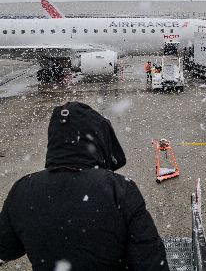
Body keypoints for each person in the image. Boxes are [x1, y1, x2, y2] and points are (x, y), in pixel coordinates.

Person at [0, 101, 169, 271]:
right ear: (97, 137)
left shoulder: (22, 190)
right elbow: (150, 262)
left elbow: (6, 249)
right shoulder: (120, 190)